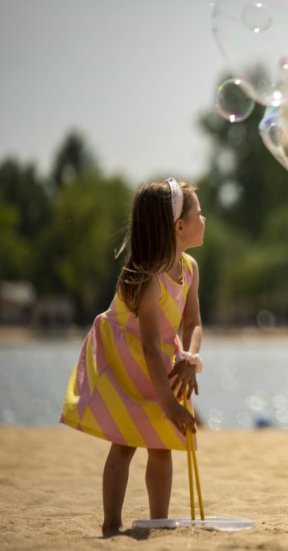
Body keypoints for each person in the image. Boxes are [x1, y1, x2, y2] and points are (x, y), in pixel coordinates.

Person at [59, 178, 206, 537]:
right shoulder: (146, 278)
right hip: (128, 358)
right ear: (179, 226)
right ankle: (111, 524)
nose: (205, 219)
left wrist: (189, 354)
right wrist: (169, 402)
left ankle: (158, 520)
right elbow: (150, 345)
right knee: (125, 442)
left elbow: (193, 321)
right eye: (199, 213)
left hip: (159, 359)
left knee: (161, 444)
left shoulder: (189, 268)